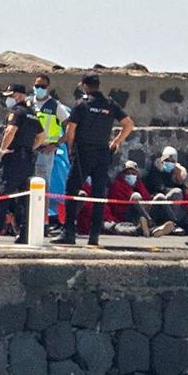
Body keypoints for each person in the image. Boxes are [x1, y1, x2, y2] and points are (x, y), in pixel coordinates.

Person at [56, 73, 136, 246]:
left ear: (85, 86)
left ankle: (68, 233)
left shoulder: (81, 104)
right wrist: (115, 142)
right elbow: (129, 124)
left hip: (83, 153)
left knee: (71, 191)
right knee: (99, 195)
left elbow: (71, 132)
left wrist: (70, 150)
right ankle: (94, 236)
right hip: (102, 154)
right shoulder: (110, 104)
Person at [0, 84, 45, 244]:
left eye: (10, 95)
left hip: (13, 159)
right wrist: (30, 148)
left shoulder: (17, 112)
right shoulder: (32, 114)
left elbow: (10, 131)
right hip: (27, 161)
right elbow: (42, 137)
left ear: (18, 96)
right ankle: (24, 235)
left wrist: (2, 149)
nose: (7, 99)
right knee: (23, 200)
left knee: (3, 196)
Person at [28, 74, 73, 230]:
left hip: (45, 151)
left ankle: (43, 221)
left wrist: (56, 144)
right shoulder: (29, 103)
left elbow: (70, 126)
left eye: (42, 86)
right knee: (27, 185)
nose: (39, 89)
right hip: (29, 149)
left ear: (48, 88)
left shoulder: (55, 106)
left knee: (42, 186)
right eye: (37, 86)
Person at [142, 146, 188, 235]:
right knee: (168, 195)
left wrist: (179, 178)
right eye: (167, 160)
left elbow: (183, 190)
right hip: (156, 204)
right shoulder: (155, 171)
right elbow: (160, 189)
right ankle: (174, 224)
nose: (169, 163)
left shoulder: (175, 172)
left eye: (172, 161)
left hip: (171, 207)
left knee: (180, 196)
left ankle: (168, 226)